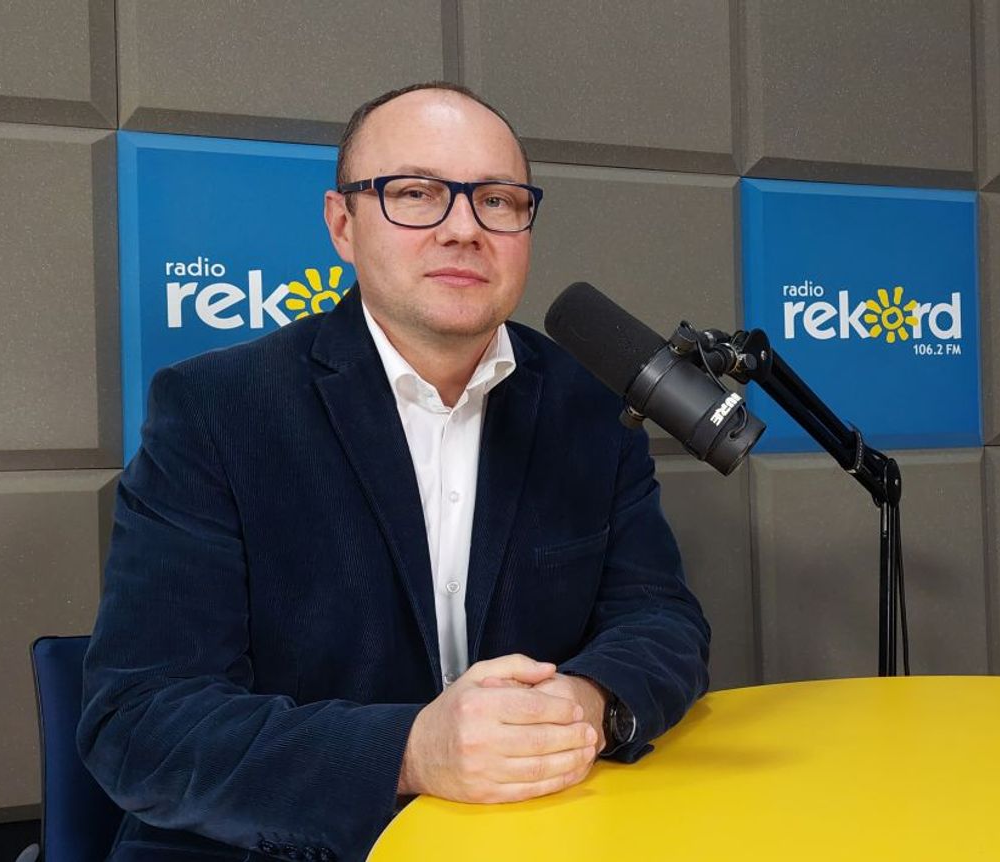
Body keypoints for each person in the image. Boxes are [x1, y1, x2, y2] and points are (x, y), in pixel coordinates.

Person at [78, 82, 711, 862]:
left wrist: (586, 705)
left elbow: (662, 622)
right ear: (342, 225)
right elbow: (142, 721)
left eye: (498, 201)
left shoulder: (592, 406)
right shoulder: (215, 410)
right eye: (415, 194)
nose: (463, 229)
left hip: (534, 834)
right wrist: (411, 751)